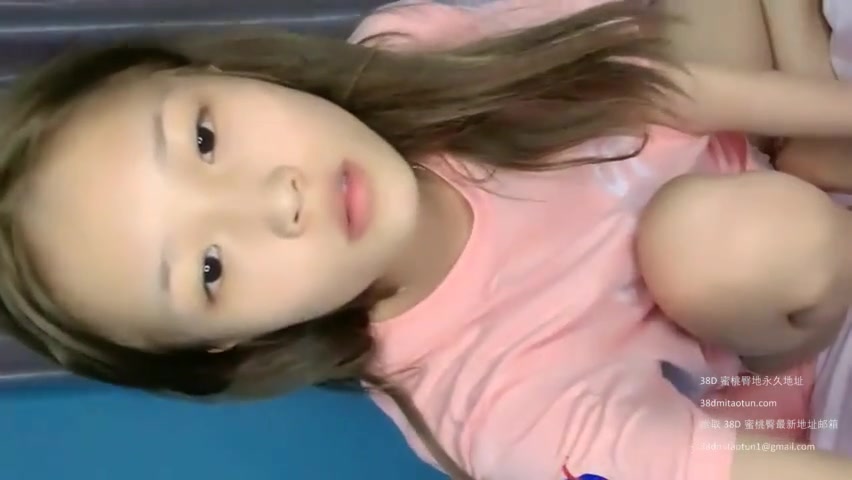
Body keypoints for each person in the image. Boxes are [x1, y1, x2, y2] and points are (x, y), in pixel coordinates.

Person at [2, 0, 852, 479]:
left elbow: (645, 87)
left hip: (745, 147)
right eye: (211, 267)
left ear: (213, 75)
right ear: (228, 343)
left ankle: (814, 138)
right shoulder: (504, 414)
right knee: (721, 239)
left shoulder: (403, 54)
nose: (276, 197)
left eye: (203, 138)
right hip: (774, 324)